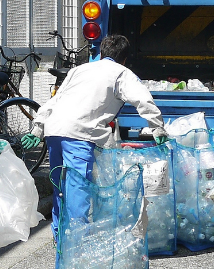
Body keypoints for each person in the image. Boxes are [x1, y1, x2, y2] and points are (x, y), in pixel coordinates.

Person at [20, 34, 166, 243]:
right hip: (80, 134)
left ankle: (60, 237)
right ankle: (76, 244)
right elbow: (143, 99)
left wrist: (38, 128)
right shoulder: (122, 73)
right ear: (125, 59)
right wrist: (157, 128)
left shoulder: (79, 70)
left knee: (61, 186)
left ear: (101, 53)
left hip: (54, 130)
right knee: (77, 188)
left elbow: (56, 99)